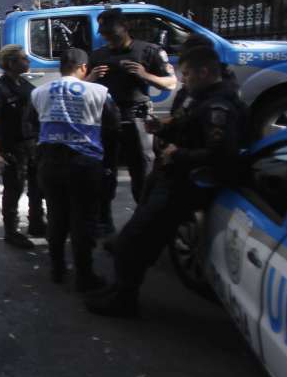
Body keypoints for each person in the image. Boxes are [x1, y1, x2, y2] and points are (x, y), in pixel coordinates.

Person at [87, 48, 246, 317]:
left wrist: (179, 154)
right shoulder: (201, 96)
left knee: (134, 240)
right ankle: (121, 289)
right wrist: (163, 127)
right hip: (171, 174)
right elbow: (188, 123)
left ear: (203, 72)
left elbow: (222, 154)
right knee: (138, 236)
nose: (183, 80)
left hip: (186, 182)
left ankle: (124, 298)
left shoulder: (219, 105)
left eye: (186, 74)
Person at [31, 48, 120, 293]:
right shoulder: (100, 92)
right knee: (84, 220)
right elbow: (113, 124)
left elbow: (29, 123)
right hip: (85, 163)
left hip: (50, 163)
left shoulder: (39, 92)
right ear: (83, 68)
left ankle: (57, 269)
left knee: (57, 217)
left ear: (61, 67)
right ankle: (84, 274)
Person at [88, 7, 177, 234]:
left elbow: (171, 83)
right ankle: (103, 220)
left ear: (125, 27)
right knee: (104, 172)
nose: (108, 37)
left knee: (143, 173)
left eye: (112, 32)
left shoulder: (148, 51)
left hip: (136, 118)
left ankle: (145, 224)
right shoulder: (98, 55)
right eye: (104, 33)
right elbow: (83, 87)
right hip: (106, 120)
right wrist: (92, 77)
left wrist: (144, 74)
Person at [0, 45, 45, 249]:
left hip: (32, 144)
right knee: (14, 189)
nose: (27, 62)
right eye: (23, 59)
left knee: (37, 186)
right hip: (12, 148)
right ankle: (11, 231)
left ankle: (37, 223)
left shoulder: (25, 84)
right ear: (11, 63)